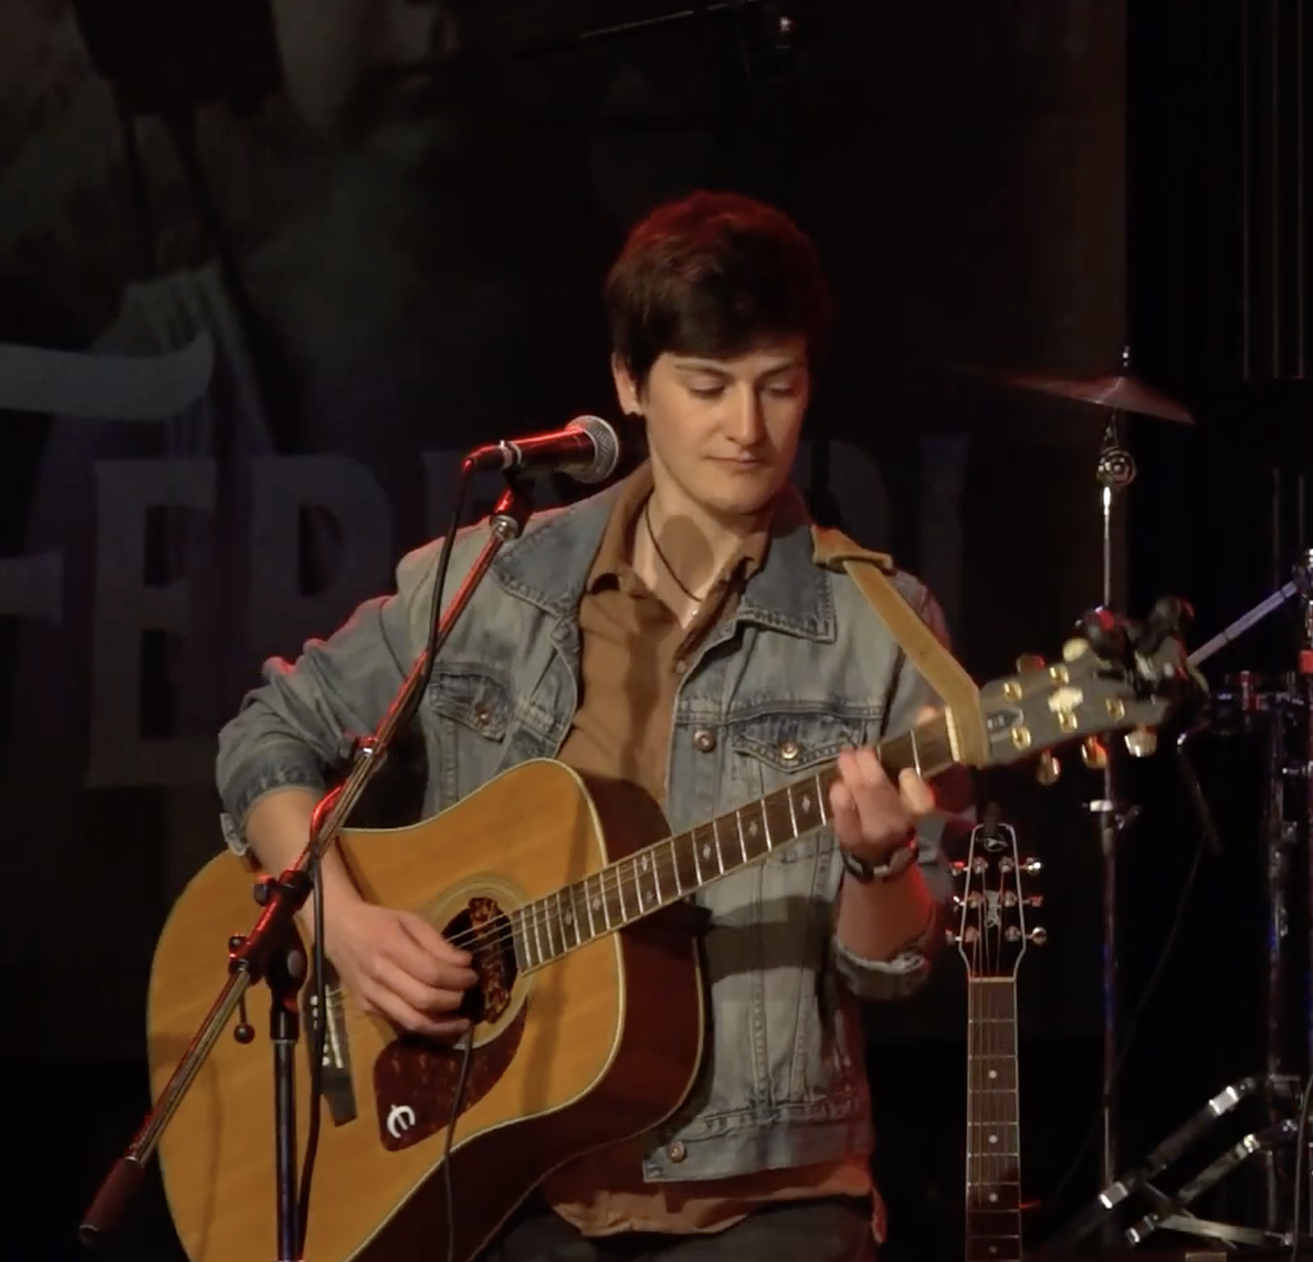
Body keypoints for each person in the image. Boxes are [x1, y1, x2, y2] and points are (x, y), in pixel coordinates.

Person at [213, 189, 962, 1261]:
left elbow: (894, 969)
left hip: (759, 1196)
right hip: (504, 1176)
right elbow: (268, 734)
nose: (748, 429)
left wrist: (878, 862)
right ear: (629, 383)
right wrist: (346, 924)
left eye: (779, 386)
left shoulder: (884, 626)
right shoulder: (496, 580)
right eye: (707, 387)